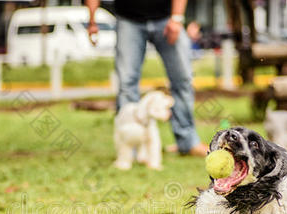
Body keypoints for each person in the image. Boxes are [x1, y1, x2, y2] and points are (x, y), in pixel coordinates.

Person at [85, 0, 208, 157]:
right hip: (128, 20)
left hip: (166, 17)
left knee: (182, 79)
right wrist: (92, 20)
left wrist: (176, 19)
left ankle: (188, 142)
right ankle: (130, 147)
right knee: (126, 84)